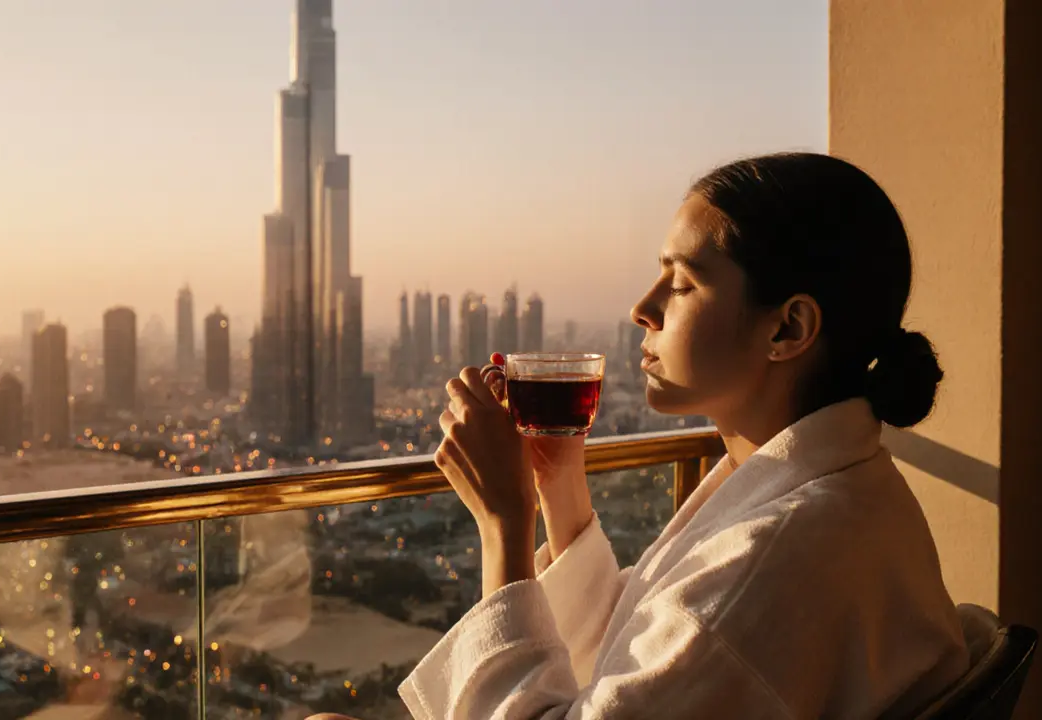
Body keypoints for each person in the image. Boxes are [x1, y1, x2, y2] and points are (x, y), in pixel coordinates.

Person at [311, 153, 970, 720]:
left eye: (682, 283)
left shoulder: (778, 554)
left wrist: (503, 525)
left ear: (787, 329)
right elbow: (641, 665)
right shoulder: (827, 492)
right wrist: (560, 491)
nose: (642, 308)